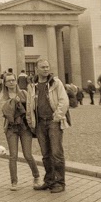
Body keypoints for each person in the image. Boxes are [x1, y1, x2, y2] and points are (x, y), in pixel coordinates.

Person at [28, 59, 71, 193]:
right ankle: (49, 180)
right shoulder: (32, 85)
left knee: (56, 153)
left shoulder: (56, 83)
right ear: (37, 69)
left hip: (53, 121)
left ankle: (59, 182)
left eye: (47, 67)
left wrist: (57, 117)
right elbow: (30, 105)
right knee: (46, 154)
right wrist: (31, 121)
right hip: (40, 122)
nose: (46, 69)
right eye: (43, 67)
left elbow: (64, 101)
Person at [0, 77, 38, 190]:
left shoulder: (24, 93)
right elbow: (6, 111)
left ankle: (36, 176)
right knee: (13, 155)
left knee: (28, 154)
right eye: (9, 81)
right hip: (11, 128)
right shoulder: (3, 96)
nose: (11, 82)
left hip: (24, 127)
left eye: (13, 80)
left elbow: (31, 108)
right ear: (5, 83)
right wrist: (13, 102)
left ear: (16, 81)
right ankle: (14, 181)